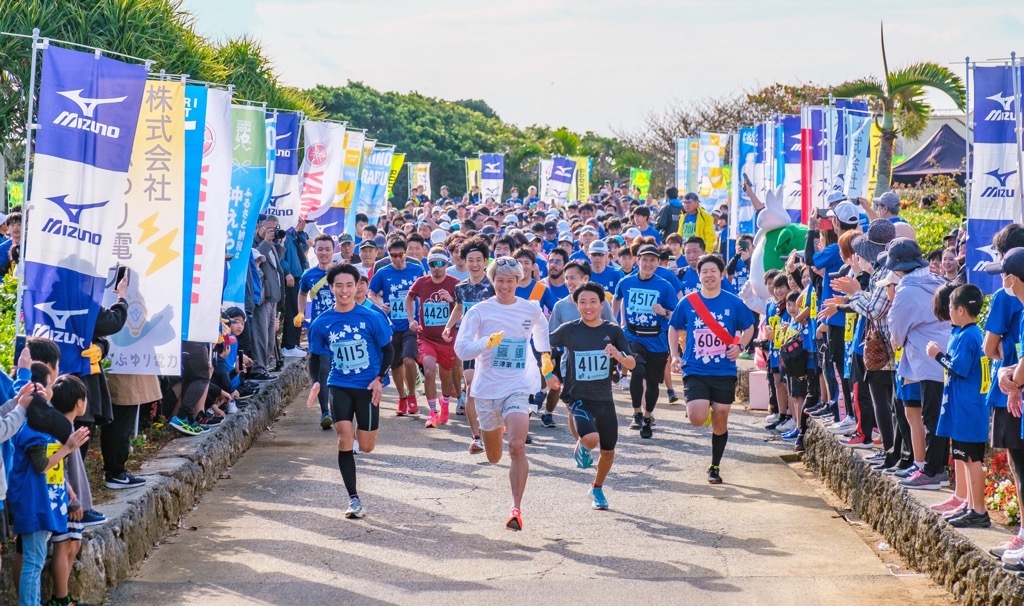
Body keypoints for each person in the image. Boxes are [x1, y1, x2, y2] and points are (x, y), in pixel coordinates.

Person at [454, 256, 558, 531]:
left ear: (518, 281)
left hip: (517, 387)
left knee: (517, 446)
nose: (504, 285)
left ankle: (516, 509)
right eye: (499, 280)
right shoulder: (479, 311)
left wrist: (545, 357)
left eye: (510, 281)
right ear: (492, 281)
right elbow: (461, 349)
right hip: (487, 390)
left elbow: (540, 330)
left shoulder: (530, 309)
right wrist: (485, 343)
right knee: (493, 456)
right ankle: (493, 433)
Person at [308, 264, 394, 519]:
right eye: (339, 285)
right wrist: (315, 381)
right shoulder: (322, 322)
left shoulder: (372, 317)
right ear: (331, 288)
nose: (344, 291)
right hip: (339, 385)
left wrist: (380, 378)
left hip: (367, 387)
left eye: (349, 285)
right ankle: (353, 499)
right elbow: (314, 356)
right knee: (345, 439)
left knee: (365, 446)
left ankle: (362, 432)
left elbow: (388, 350)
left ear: (357, 286)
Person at [669, 254, 755, 484]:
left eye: (713, 271)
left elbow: (749, 327)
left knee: (721, 416)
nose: (709, 275)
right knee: (697, 419)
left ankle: (715, 466)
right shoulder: (688, 301)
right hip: (695, 368)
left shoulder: (734, 302)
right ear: (699, 276)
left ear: (721, 274)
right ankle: (697, 406)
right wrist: (675, 355)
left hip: (724, 370)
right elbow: (673, 327)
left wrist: (740, 345)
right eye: (704, 271)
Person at [550, 282, 635, 510]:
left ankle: (597, 488)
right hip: (578, 396)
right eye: (582, 302)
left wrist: (618, 356)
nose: (588, 307)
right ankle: (583, 444)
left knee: (608, 451)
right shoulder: (569, 329)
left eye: (593, 302)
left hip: (604, 399)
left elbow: (632, 363)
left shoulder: (613, 331)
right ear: (576, 305)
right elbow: (543, 346)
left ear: (601, 304)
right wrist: (548, 372)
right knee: (591, 439)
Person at [9, 382, 90, 606]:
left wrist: (68, 491)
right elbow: (41, 466)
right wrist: (68, 447)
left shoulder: (33, 427)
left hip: (39, 502)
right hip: (33, 503)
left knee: (34, 560)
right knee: (33, 562)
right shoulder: (33, 431)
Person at [886, 238, 951, 490]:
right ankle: (935, 469)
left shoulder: (906, 290)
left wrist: (898, 338)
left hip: (926, 360)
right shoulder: (937, 281)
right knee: (936, 415)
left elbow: (896, 330)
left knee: (932, 417)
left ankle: (933, 471)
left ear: (899, 267)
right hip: (942, 356)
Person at [926, 284, 990, 528]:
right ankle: (968, 503)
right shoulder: (961, 333)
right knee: (962, 457)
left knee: (972, 459)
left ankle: (979, 510)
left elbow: (960, 368)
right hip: (960, 406)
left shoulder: (969, 335)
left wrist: (938, 355)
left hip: (969, 409)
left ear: (961, 310)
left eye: (951, 307)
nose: (948, 312)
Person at [613, 244, 678, 438]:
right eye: (645, 259)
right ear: (637, 260)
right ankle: (637, 413)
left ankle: (648, 416)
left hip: (657, 340)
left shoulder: (665, 286)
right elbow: (616, 299)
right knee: (637, 370)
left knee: (652, 383)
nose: (648, 264)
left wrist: (664, 312)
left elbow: (675, 315)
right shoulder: (626, 282)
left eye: (652, 260)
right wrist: (614, 322)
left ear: (658, 262)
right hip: (633, 337)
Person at [442, 236, 494, 454]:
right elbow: (459, 308)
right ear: (464, 261)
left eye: (478, 260)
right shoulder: (461, 287)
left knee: (490, 389)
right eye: (470, 259)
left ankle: (493, 427)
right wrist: (448, 326)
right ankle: (476, 437)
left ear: (485, 261)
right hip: (469, 344)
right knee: (471, 385)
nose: (474, 264)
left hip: (491, 345)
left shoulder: (493, 286)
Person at [369, 238, 426, 416]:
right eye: (393, 255)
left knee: (409, 360)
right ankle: (401, 398)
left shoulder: (416, 270)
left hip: (411, 322)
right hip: (391, 324)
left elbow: (424, 291)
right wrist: (380, 304)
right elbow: (371, 293)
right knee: (395, 365)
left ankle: (411, 396)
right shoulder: (383, 272)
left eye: (401, 254)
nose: (397, 259)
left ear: (406, 253)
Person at [407, 248, 460, 427]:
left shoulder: (455, 284)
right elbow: (409, 298)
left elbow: (463, 308)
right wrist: (411, 319)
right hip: (426, 337)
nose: (436, 268)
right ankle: (432, 412)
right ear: (427, 265)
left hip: (447, 338)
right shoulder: (421, 283)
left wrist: (451, 300)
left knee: (446, 377)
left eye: (440, 264)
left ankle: (444, 404)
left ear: (446, 264)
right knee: (429, 371)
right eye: (432, 264)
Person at [296, 234, 338, 428]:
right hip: (318, 327)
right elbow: (302, 293)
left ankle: (340, 409)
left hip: (340, 327)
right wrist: (301, 313)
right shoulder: (309, 275)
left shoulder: (341, 273)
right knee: (323, 367)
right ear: (315, 251)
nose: (324, 253)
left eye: (327, 249)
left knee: (336, 370)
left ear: (333, 250)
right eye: (320, 249)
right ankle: (325, 412)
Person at [280, 217, 310, 356]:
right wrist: (286, 272)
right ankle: (289, 345)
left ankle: (295, 343)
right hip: (291, 276)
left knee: (299, 311)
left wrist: (301, 233)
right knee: (292, 310)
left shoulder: (294, 234)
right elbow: (279, 256)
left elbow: (304, 248)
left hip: (299, 275)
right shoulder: (284, 234)